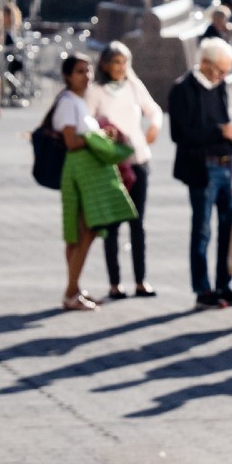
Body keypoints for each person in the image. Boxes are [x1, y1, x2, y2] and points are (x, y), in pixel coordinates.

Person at [49, 55, 139, 312]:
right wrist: (96, 137)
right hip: (80, 172)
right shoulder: (68, 102)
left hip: (87, 172)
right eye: (79, 72)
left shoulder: (79, 102)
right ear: (67, 76)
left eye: (87, 71)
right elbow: (72, 141)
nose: (85, 76)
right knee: (83, 231)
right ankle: (70, 292)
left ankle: (74, 288)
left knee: (82, 233)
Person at [167, 37, 232, 309]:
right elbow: (180, 135)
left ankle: (225, 285)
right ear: (204, 64)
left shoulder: (220, 86)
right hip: (202, 167)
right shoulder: (183, 89)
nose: (223, 76)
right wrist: (219, 131)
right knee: (202, 230)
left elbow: (223, 119)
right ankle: (203, 289)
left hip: (226, 163)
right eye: (220, 70)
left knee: (229, 227)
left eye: (226, 71)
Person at [89, 41, 163, 299]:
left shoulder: (133, 85)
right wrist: (103, 132)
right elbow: (88, 124)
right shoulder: (96, 91)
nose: (121, 68)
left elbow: (153, 110)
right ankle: (114, 282)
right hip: (112, 163)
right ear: (105, 64)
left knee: (137, 222)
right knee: (111, 223)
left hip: (137, 158)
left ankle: (141, 279)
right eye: (116, 62)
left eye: (124, 63)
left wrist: (153, 126)